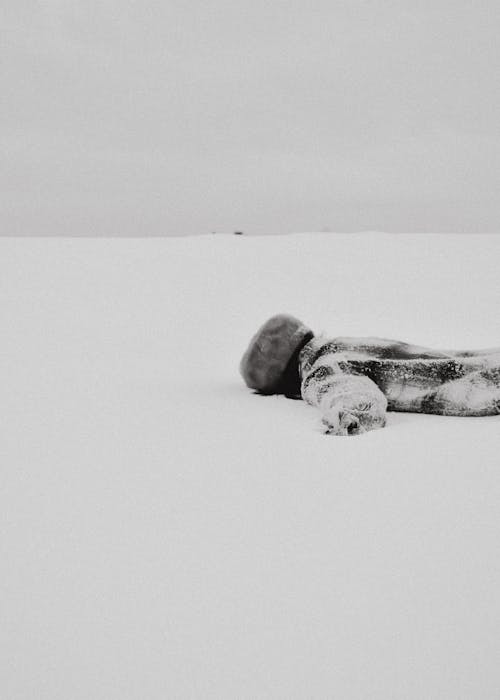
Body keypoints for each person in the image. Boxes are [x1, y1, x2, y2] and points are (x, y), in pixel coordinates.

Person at [240, 314, 500, 436]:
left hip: (473, 388)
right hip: (476, 362)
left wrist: (349, 419)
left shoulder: (323, 368)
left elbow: (351, 394)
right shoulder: (341, 345)